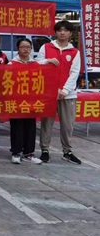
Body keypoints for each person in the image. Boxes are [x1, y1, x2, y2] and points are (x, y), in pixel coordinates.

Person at [38, 20, 81, 165]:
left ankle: (67, 151)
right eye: (59, 30)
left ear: (70, 33)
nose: (62, 33)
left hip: (67, 95)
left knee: (67, 125)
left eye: (65, 30)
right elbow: (37, 63)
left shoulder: (74, 52)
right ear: (55, 32)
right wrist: (47, 61)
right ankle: (45, 150)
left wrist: (65, 90)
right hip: (49, 93)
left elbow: (74, 73)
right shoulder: (46, 47)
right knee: (46, 123)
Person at [9, 38, 42, 165]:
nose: (25, 49)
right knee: (17, 126)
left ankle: (29, 153)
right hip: (16, 101)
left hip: (31, 101)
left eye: (28, 47)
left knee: (30, 127)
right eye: (23, 47)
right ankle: (16, 152)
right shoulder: (11, 64)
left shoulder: (35, 64)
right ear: (17, 48)